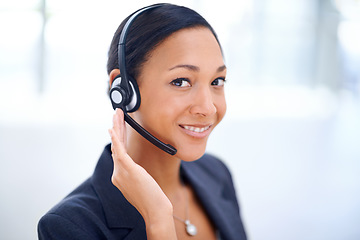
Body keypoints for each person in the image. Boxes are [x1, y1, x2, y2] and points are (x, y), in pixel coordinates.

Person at [38, 3, 247, 240]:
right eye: (181, 81)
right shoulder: (71, 226)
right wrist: (158, 221)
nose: (208, 107)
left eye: (217, 81)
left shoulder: (216, 173)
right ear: (124, 89)